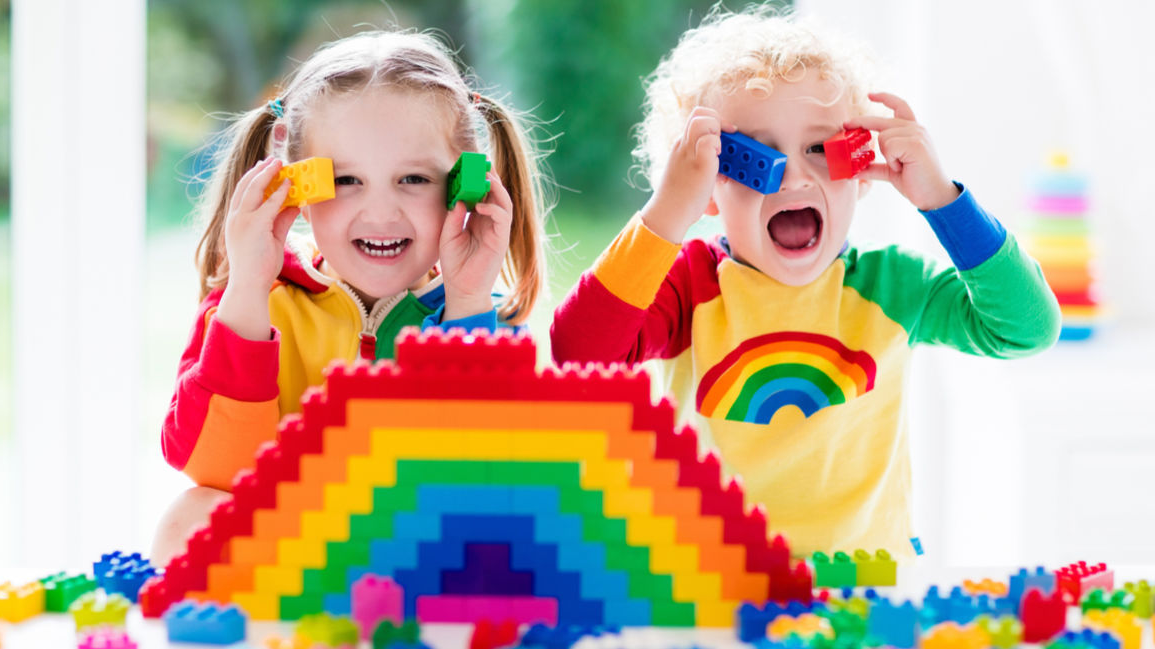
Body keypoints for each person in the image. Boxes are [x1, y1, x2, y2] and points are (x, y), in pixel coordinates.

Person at [550, 6, 1059, 556]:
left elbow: (1025, 327)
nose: (792, 175)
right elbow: (579, 354)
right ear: (709, 190)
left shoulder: (892, 287)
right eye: (752, 156)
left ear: (861, 168)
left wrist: (942, 199)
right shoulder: (692, 287)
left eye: (819, 148)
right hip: (711, 585)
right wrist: (667, 213)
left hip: (862, 592)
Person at [151, 31, 549, 566]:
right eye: (346, 180)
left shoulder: (480, 316)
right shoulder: (252, 302)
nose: (380, 213)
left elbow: (478, 476)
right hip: (296, 551)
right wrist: (247, 290)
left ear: (464, 183)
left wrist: (467, 301)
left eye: (412, 178)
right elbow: (214, 469)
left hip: (417, 552)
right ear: (295, 183)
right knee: (188, 518)